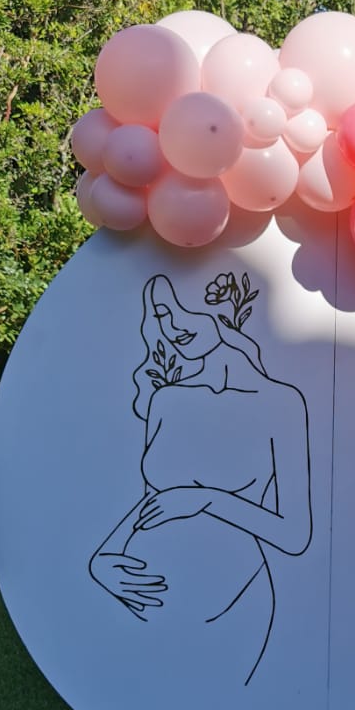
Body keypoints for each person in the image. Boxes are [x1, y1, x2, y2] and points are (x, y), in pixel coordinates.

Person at [89, 272, 312, 687]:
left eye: (183, 309)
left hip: (229, 603)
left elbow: (295, 534)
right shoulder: (165, 399)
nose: (172, 326)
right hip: (147, 597)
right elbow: (153, 501)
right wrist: (104, 557)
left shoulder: (280, 403)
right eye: (162, 313)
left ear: (220, 309)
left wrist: (208, 499)